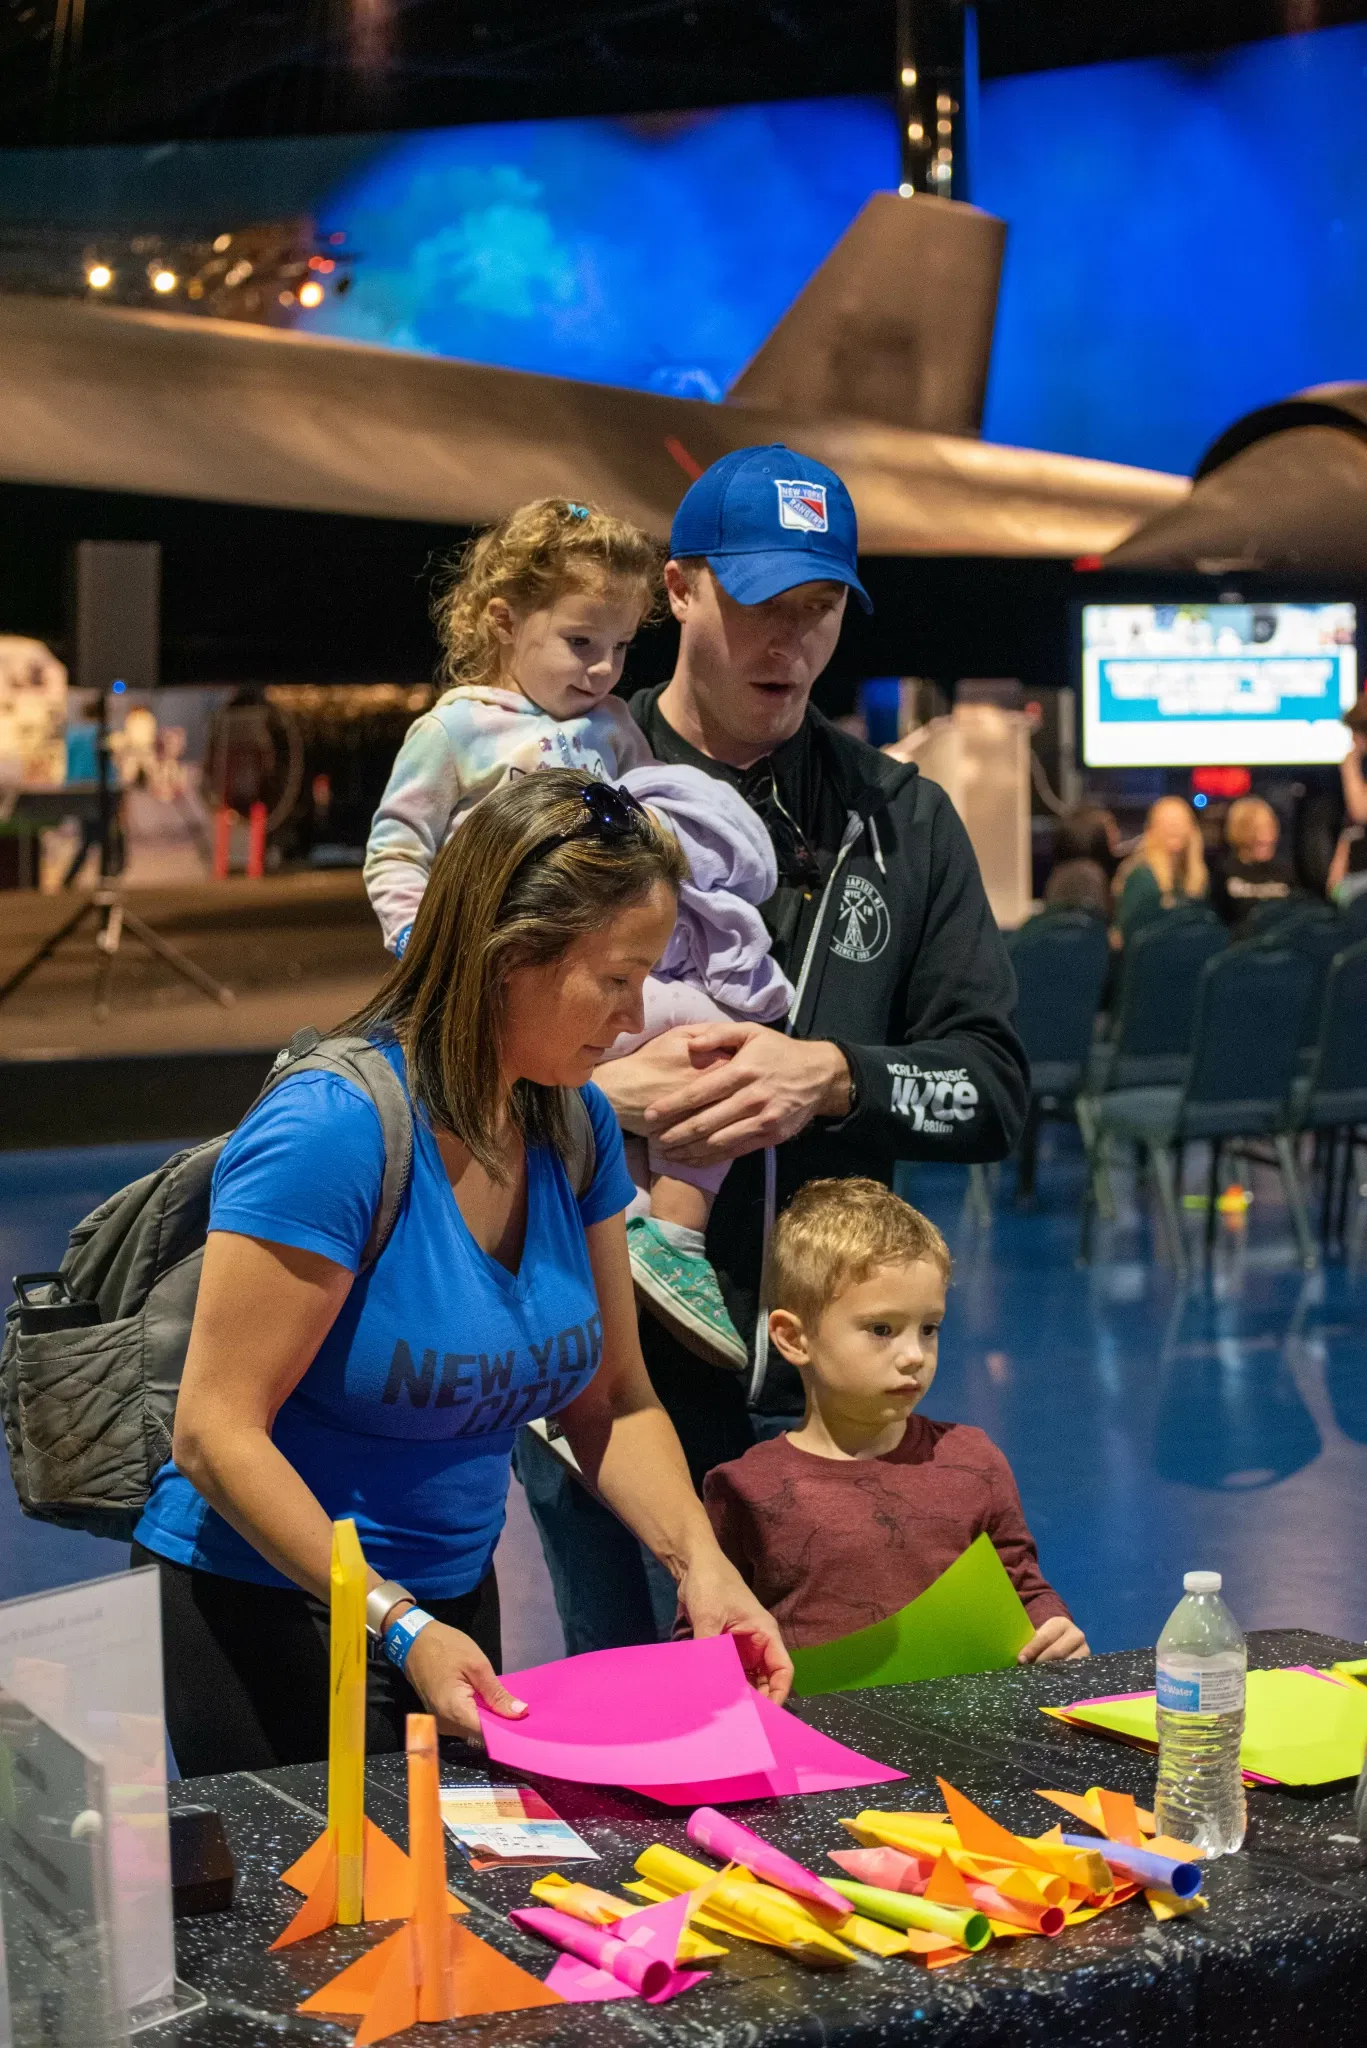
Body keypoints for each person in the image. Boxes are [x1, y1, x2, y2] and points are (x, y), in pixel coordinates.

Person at [133, 769, 790, 1778]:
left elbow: (610, 1394)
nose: (634, 1014)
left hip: (448, 1603)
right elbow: (215, 1431)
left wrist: (703, 1564)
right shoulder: (333, 1128)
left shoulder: (573, 1121)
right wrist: (395, 1625)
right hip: (273, 1605)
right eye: (614, 977)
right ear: (508, 957)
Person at [519, 443, 1030, 1654]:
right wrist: (594, 1088)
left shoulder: (898, 818)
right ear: (680, 589)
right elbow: (440, 1056)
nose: (789, 641)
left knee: (827, 1753)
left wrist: (835, 1075)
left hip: (828, 1412)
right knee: (645, 1749)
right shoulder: (564, 790)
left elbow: (997, 1087)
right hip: (606, 1379)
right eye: (760, 603)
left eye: (818, 610)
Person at [364, 498, 794, 1370]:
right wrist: (425, 944)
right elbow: (395, 849)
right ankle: (547, 1299)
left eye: (622, 648)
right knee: (526, 1134)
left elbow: (652, 828)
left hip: (612, 967)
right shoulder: (454, 728)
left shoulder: (614, 728)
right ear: (504, 620)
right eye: (579, 643)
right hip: (508, 979)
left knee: (726, 1042)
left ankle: (671, 1230)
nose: (603, 669)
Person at [703, 1178, 1087, 1660]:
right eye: (881, 1329)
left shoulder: (973, 1461)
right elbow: (708, 1632)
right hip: (811, 1732)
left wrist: (1054, 1629)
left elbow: (1024, 1588)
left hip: (956, 1729)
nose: (914, 1355)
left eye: (929, 1329)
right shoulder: (744, 1490)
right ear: (794, 1338)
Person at [1113, 795, 1209, 941]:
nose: (1174, 828)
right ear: (1152, 829)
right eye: (1167, 822)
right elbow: (1126, 933)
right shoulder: (1140, 875)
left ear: (1192, 828)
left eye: (1180, 822)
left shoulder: (1199, 874)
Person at [1210, 796, 1296, 928]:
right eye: (1255, 830)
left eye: (1269, 828)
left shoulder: (1285, 871)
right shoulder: (1223, 872)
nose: (1265, 837)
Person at [1042, 803, 1119, 916]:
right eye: (1111, 830)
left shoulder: (1067, 871)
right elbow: (1089, 925)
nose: (1118, 835)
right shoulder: (1084, 875)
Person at [1328, 695, 1367, 907]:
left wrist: (1349, 767)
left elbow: (1361, 811)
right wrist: (1338, 869)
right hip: (1354, 876)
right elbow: (1351, 827)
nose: (1353, 741)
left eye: (1356, 733)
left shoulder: (1354, 768)